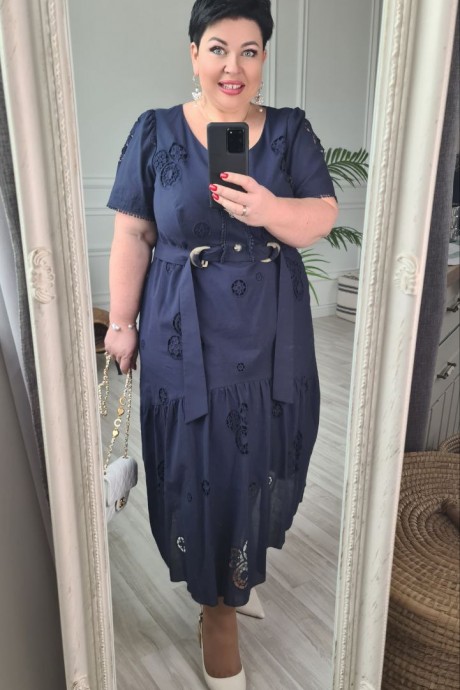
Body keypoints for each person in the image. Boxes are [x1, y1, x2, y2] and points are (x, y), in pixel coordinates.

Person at [105, 1, 338, 687]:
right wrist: (121, 322)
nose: (232, 66)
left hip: (270, 330)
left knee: (259, 452)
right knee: (199, 459)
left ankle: (239, 569)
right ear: (193, 54)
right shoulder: (154, 131)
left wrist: (268, 209)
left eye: (249, 50)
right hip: (185, 329)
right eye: (217, 48)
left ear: (264, 57)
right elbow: (132, 233)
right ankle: (218, 608)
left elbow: (322, 215)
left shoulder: (290, 131)